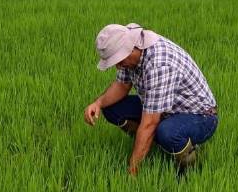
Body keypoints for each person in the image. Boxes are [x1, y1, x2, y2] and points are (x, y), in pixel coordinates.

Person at [84, 23, 218, 176]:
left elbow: (149, 123)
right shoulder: (132, 55)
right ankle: (149, 144)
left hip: (199, 116)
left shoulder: (159, 65)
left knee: (166, 132)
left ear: (130, 49)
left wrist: (132, 170)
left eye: (119, 61)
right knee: (111, 107)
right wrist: (98, 103)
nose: (118, 67)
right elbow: (122, 85)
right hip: (164, 109)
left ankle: (191, 169)